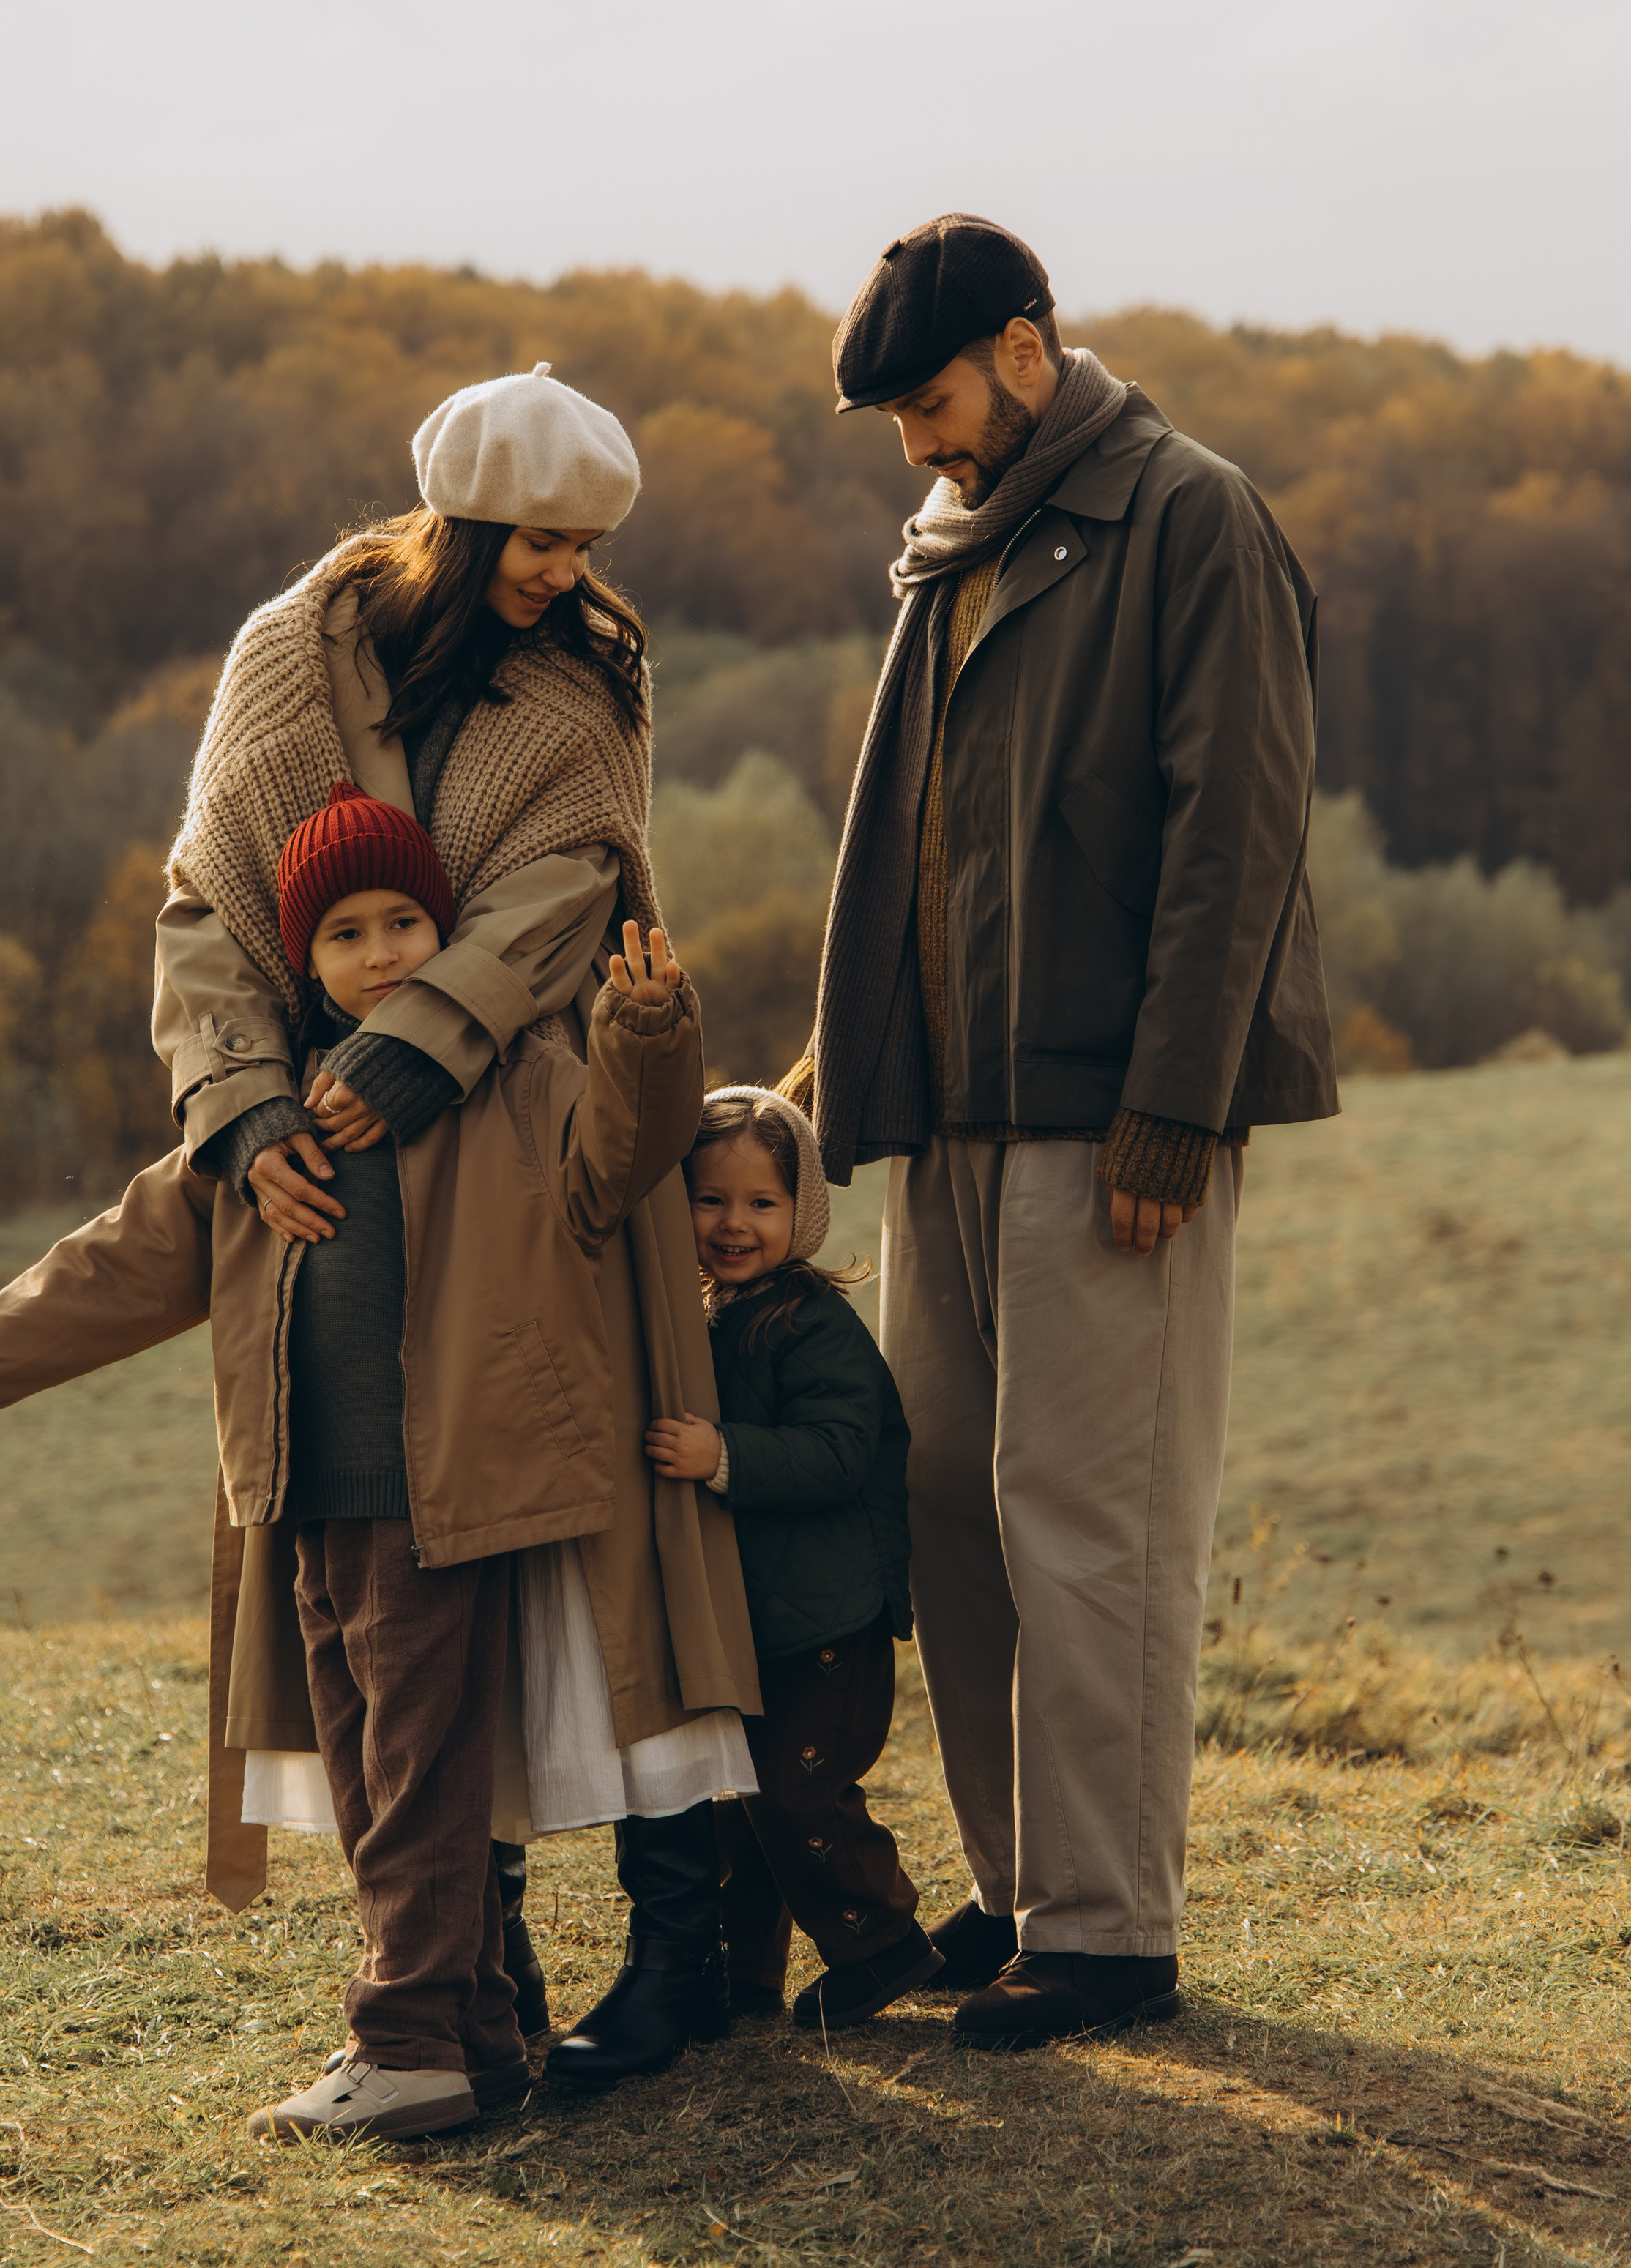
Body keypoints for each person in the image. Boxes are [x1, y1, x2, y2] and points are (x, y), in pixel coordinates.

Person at [0, 796, 704, 2142]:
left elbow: (624, 1155)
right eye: (348, 932)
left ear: (446, 933)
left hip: (443, 1493)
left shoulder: (509, 1076)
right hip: (310, 1499)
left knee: (421, 1776)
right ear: (300, 959)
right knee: (377, 1773)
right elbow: (133, 1254)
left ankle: (408, 2038)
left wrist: (651, 1034)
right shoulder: (265, 1119)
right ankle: (482, 2039)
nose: (383, 954)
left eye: (407, 925)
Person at [154, 364, 764, 2090]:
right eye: (538, 539)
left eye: (586, 545)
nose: (563, 571)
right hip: (329, 1185)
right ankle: (469, 1980)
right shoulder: (289, 652)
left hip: (531, 1160)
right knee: (397, 1582)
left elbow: (568, 890)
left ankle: (666, 1960)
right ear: (462, 517)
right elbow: (208, 901)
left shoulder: (584, 684)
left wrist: (418, 1054)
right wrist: (251, 1107)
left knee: (588, 1577)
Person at [782, 215, 1338, 2052]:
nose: (921, 447)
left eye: (933, 403)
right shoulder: (949, 552)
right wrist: (831, 1071)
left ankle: (1109, 1933)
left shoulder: (1191, 516)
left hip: (1113, 1118)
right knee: (950, 1506)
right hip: (948, 1119)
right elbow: (916, 845)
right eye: (898, 422)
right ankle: (1022, 1894)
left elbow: (1236, 834)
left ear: (1026, 351)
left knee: (1086, 1520)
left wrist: (1173, 1103)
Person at [645, 1086, 938, 2029]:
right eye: (711, 1199)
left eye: (762, 1204)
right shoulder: (705, 1311)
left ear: (801, 1213)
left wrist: (723, 1455)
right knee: (738, 1803)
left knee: (796, 1792)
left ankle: (884, 1944)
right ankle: (745, 1981)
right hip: (758, 1617)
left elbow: (841, 1449)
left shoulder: (808, 1322)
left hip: (826, 1620)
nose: (735, 1224)